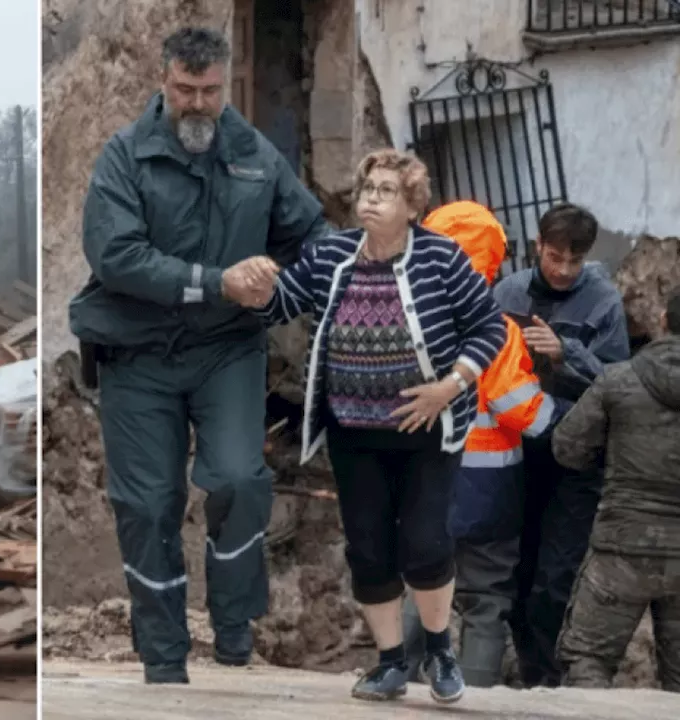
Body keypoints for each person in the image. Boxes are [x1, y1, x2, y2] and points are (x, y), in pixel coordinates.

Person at [66, 26, 328, 684]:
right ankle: (162, 660)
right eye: (185, 90)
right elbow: (116, 256)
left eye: (209, 91)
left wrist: (280, 294)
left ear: (224, 84)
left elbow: (312, 236)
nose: (198, 104)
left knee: (240, 480)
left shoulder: (255, 155)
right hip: (137, 351)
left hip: (226, 350)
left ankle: (235, 634)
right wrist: (216, 282)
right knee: (148, 503)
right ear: (164, 81)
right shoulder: (125, 155)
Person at [235, 149, 507, 704]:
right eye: (367, 190)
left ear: (412, 205)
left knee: (426, 543)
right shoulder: (332, 255)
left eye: (386, 191)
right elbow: (282, 303)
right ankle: (389, 663)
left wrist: (449, 386)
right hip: (353, 431)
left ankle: (439, 651)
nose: (372, 199)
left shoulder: (442, 259)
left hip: (427, 428)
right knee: (368, 547)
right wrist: (258, 288)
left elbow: (488, 328)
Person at [401, 201, 563, 688]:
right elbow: (525, 413)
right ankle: (474, 699)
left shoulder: (404, 323)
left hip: (421, 486)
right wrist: (574, 420)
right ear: (490, 260)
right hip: (488, 491)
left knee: (420, 586)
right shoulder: (499, 330)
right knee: (485, 600)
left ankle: (398, 682)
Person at [492, 203, 631, 687]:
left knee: (557, 577)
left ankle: (549, 679)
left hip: (576, 458)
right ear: (537, 247)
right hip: (515, 452)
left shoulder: (603, 302)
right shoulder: (507, 291)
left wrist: (564, 352)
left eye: (574, 261)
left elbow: (617, 382)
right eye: (555, 258)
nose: (564, 270)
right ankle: (526, 668)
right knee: (516, 567)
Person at [554, 288, 680, 691]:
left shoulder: (619, 379)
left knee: (587, 659)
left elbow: (567, 448)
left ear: (663, 321)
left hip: (621, 547)